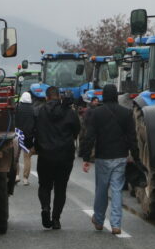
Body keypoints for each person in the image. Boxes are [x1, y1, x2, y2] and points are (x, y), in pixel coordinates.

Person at [80, 84, 138, 235]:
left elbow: (89, 136)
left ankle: (99, 220)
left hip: (102, 157)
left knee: (101, 190)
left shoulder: (97, 113)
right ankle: (116, 225)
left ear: (103, 96)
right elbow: (133, 138)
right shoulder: (126, 113)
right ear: (116, 96)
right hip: (120, 156)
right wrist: (136, 156)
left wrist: (86, 157)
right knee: (117, 190)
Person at [32, 86, 80, 230]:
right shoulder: (70, 112)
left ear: (46, 97)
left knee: (44, 185)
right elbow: (77, 130)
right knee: (61, 188)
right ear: (59, 96)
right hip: (65, 155)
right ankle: (56, 219)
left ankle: (45, 207)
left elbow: (32, 129)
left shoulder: (39, 111)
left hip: (45, 155)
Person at [14, 91, 36, 186]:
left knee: (16, 157)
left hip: (18, 134)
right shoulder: (33, 109)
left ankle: (16, 175)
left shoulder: (17, 108)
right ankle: (25, 179)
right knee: (27, 157)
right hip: (28, 136)